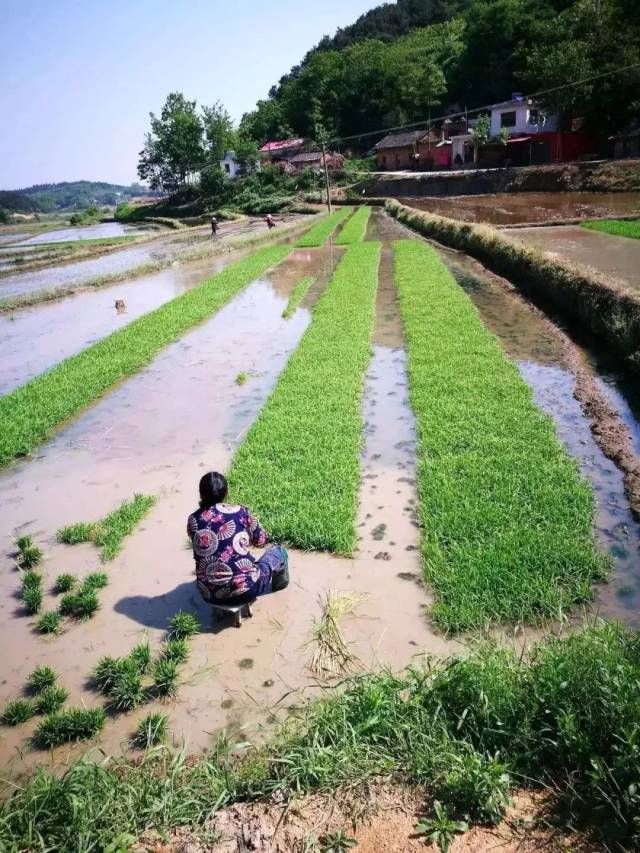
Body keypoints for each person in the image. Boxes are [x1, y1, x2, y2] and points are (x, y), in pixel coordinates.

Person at [187, 471, 289, 605]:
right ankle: (280, 587)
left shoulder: (193, 519)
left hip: (209, 595)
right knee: (278, 551)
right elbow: (261, 541)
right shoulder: (240, 512)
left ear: (201, 494)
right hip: (247, 591)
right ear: (226, 492)